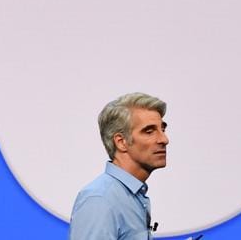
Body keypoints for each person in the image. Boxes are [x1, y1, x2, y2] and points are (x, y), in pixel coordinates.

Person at [69, 92, 169, 239]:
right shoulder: (100, 199)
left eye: (163, 129)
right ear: (121, 142)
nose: (164, 139)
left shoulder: (131, 196)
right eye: (149, 131)